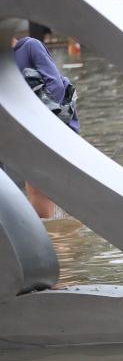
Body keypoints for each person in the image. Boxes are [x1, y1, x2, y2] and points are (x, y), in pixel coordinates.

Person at [4, 18, 79, 219]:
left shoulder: (29, 47)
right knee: (36, 185)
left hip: (49, 127)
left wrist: (35, 120)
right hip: (22, 136)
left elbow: (56, 86)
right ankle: (59, 237)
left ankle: (63, 238)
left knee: (46, 184)